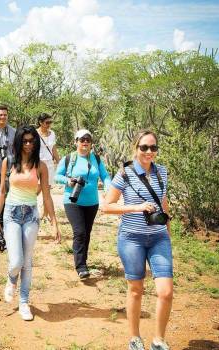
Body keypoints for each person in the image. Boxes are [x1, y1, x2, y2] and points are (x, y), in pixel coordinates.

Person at [102, 130, 173, 350]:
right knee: (136, 288)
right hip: (132, 238)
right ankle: (134, 337)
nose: (149, 152)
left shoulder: (162, 171)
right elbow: (106, 206)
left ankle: (158, 340)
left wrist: (167, 231)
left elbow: (163, 202)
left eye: (153, 147)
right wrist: (136, 207)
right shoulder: (124, 173)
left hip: (159, 238)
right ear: (136, 148)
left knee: (166, 292)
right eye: (144, 147)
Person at [0, 125, 60, 321]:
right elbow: (2, 192)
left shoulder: (41, 166)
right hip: (11, 214)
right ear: (19, 142)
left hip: (31, 215)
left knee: (27, 262)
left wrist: (54, 222)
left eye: (32, 141)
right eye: (25, 141)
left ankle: (23, 302)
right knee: (16, 261)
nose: (29, 144)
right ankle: (11, 278)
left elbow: (46, 196)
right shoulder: (9, 161)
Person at [55, 129, 111, 279]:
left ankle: (83, 262)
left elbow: (105, 176)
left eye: (88, 140)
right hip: (72, 201)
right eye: (82, 140)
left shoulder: (96, 159)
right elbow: (57, 176)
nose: (85, 142)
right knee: (79, 232)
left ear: (91, 143)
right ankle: (80, 266)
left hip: (92, 202)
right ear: (76, 142)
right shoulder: (69, 158)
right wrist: (68, 181)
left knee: (86, 233)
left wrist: (108, 187)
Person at [36, 113, 60, 221]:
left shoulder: (52, 133)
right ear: (40, 122)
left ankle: (45, 213)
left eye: (50, 122)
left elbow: (53, 148)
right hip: (38, 164)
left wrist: (59, 161)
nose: (49, 124)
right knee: (37, 189)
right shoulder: (35, 134)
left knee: (47, 190)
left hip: (49, 165)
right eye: (47, 122)